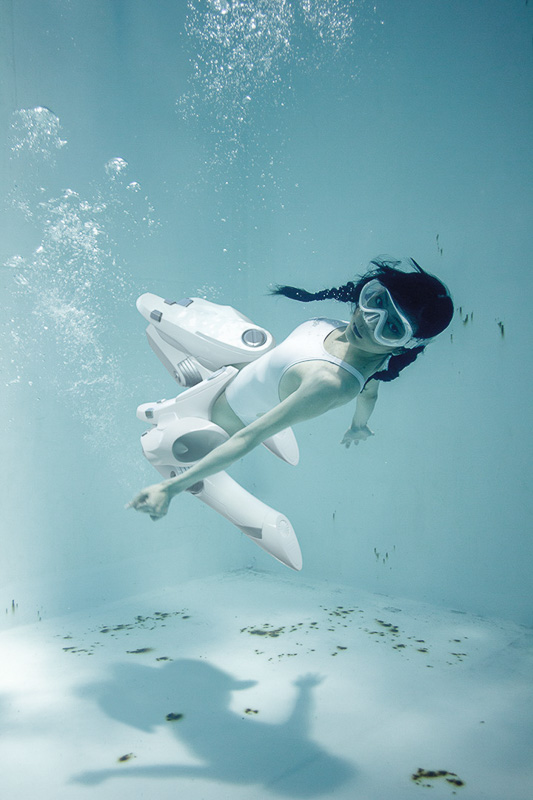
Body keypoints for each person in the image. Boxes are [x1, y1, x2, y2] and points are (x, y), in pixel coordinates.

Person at [128, 255, 453, 521]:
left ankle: (196, 480)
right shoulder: (347, 338)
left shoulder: (330, 383)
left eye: (391, 327)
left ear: (400, 347)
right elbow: (370, 390)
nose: (368, 320)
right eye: (376, 301)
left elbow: (249, 437)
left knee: (155, 438)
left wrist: (169, 490)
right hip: (242, 382)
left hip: (219, 424)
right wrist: (359, 425)